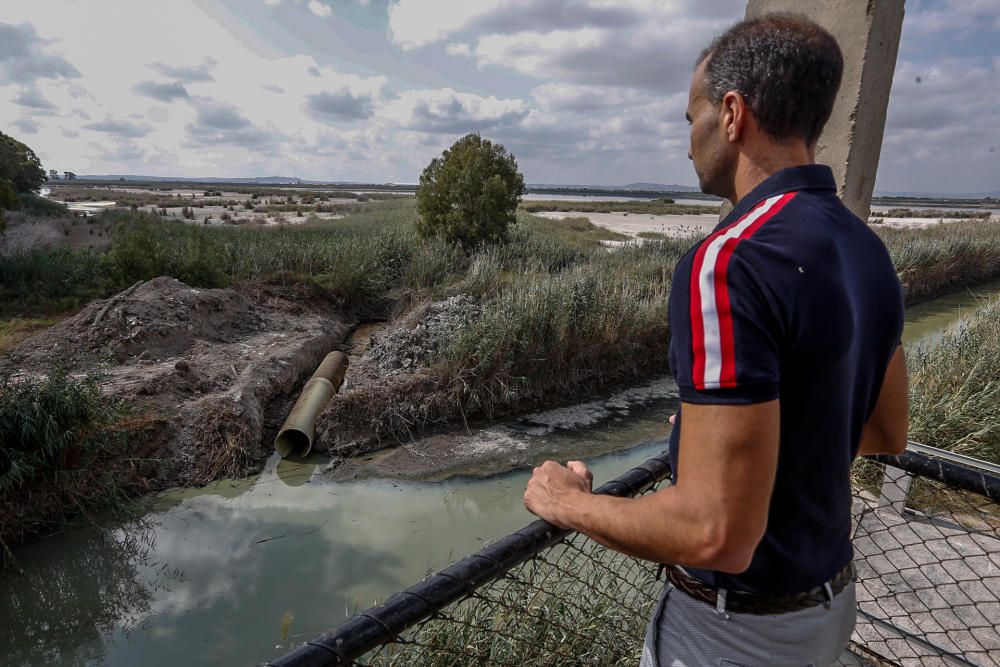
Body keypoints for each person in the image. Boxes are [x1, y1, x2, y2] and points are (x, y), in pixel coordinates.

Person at [523, 13, 908, 667]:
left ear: (733, 115)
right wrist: (735, 443)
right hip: (829, 604)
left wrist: (571, 502)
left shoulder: (728, 262)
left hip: (732, 635)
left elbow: (716, 532)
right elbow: (885, 430)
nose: (688, 139)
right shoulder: (865, 250)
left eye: (691, 117)